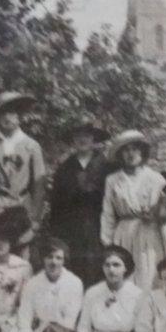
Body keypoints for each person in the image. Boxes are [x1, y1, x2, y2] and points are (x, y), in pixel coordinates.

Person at [0, 92, 46, 258]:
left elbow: (39, 185)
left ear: (19, 116)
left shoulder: (31, 146)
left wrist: (35, 218)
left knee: (21, 258)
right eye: (2, 113)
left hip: (20, 208)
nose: (7, 117)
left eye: (11, 112)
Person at [100, 130, 166, 290]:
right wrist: (108, 244)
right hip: (124, 233)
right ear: (121, 154)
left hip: (148, 233)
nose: (131, 154)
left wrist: (155, 213)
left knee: (148, 275)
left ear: (142, 152)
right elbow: (108, 213)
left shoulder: (156, 179)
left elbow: (165, 213)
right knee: (124, 279)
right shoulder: (113, 180)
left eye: (135, 149)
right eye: (126, 150)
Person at [49, 120, 111, 286]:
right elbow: (56, 206)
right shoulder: (64, 169)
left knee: (97, 271)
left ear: (94, 139)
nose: (82, 140)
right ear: (73, 140)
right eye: (78, 136)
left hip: (98, 228)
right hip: (71, 229)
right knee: (72, 273)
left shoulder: (106, 166)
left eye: (87, 135)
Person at [78, 245, 144, 332]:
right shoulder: (92, 292)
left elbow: (141, 331)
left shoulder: (137, 295)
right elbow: (83, 328)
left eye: (116, 265)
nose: (111, 270)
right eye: (107, 265)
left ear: (126, 268)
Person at [17, 238, 84, 332]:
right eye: (50, 257)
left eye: (58, 258)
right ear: (43, 259)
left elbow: (70, 320)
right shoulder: (33, 284)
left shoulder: (74, 283)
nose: (54, 262)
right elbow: (24, 317)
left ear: (64, 261)